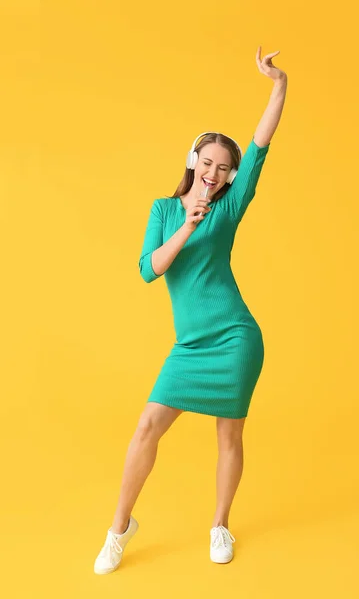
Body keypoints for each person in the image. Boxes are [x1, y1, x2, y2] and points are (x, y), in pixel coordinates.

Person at [94, 46, 287, 575]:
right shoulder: (163, 211)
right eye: (207, 163)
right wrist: (187, 224)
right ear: (192, 163)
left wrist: (278, 85)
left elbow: (261, 144)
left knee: (230, 434)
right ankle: (119, 529)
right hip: (190, 346)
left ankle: (220, 523)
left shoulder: (229, 206)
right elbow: (148, 269)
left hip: (235, 339)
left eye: (223, 169)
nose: (214, 173)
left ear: (229, 178)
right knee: (146, 428)